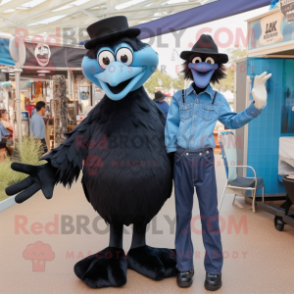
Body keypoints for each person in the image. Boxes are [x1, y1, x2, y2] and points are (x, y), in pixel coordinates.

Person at [165, 34, 271, 290]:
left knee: (210, 217)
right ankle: (184, 266)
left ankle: (214, 269)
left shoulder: (217, 99)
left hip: (204, 163)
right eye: (197, 60)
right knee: (182, 217)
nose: (202, 65)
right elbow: (171, 127)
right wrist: (170, 159)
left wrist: (255, 106)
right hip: (181, 160)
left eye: (207, 61)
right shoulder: (179, 97)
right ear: (190, 64)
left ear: (215, 67)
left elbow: (232, 121)